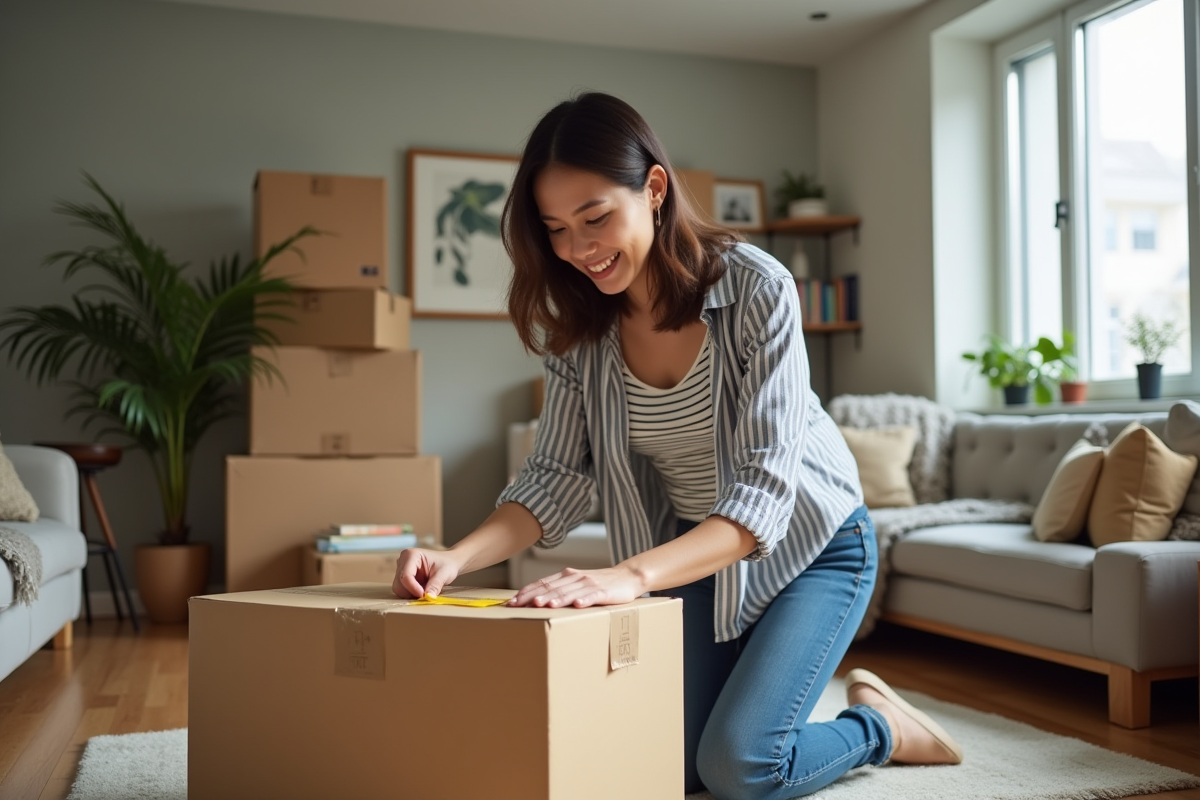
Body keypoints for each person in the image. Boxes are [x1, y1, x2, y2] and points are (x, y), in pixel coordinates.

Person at [392, 91, 963, 799]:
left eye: (596, 217)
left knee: (739, 766)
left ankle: (878, 727)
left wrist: (628, 576)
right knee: (668, 759)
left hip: (815, 548)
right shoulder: (580, 332)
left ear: (654, 189)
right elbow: (554, 477)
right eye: (557, 229)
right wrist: (456, 557)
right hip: (694, 557)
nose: (578, 249)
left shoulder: (759, 289)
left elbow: (764, 492)